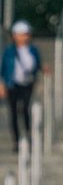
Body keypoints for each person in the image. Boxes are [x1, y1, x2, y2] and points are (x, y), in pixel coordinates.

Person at [0, 20, 43, 151]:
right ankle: (17, 140)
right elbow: (3, 69)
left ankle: (28, 136)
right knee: (13, 112)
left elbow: (37, 65)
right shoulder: (9, 51)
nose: (23, 37)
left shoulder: (33, 50)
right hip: (12, 84)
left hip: (27, 84)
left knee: (24, 108)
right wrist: (2, 85)